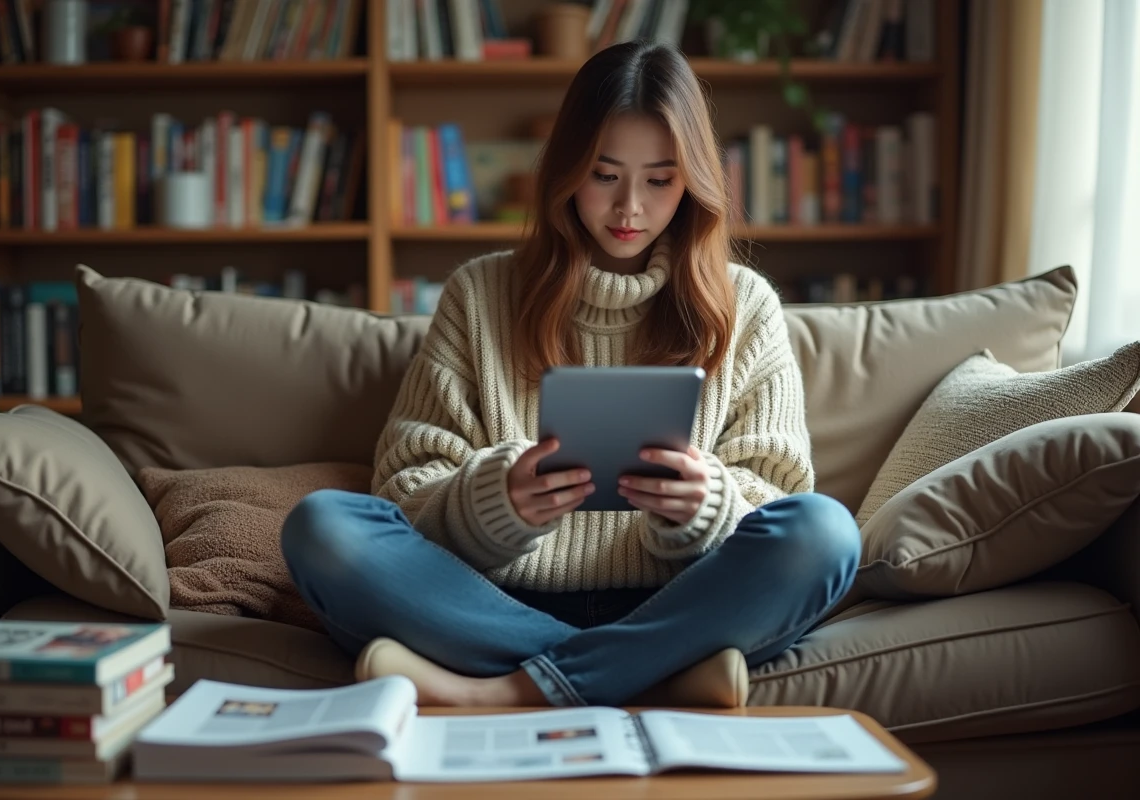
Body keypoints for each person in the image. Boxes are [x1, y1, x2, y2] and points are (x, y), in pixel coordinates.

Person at [282, 41, 861, 709]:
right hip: (493, 601)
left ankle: (509, 691)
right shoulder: (479, 294)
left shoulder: (747, 304)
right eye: (605, 174)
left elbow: (780, 498)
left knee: (826, 534)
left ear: (694, 181)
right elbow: (406, 486)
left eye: (660, 179)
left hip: (682, 598)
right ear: (566, 170)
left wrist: (707, 506)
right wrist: (494, 502)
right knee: (322, 528)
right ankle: (653, 675)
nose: (629, 209)